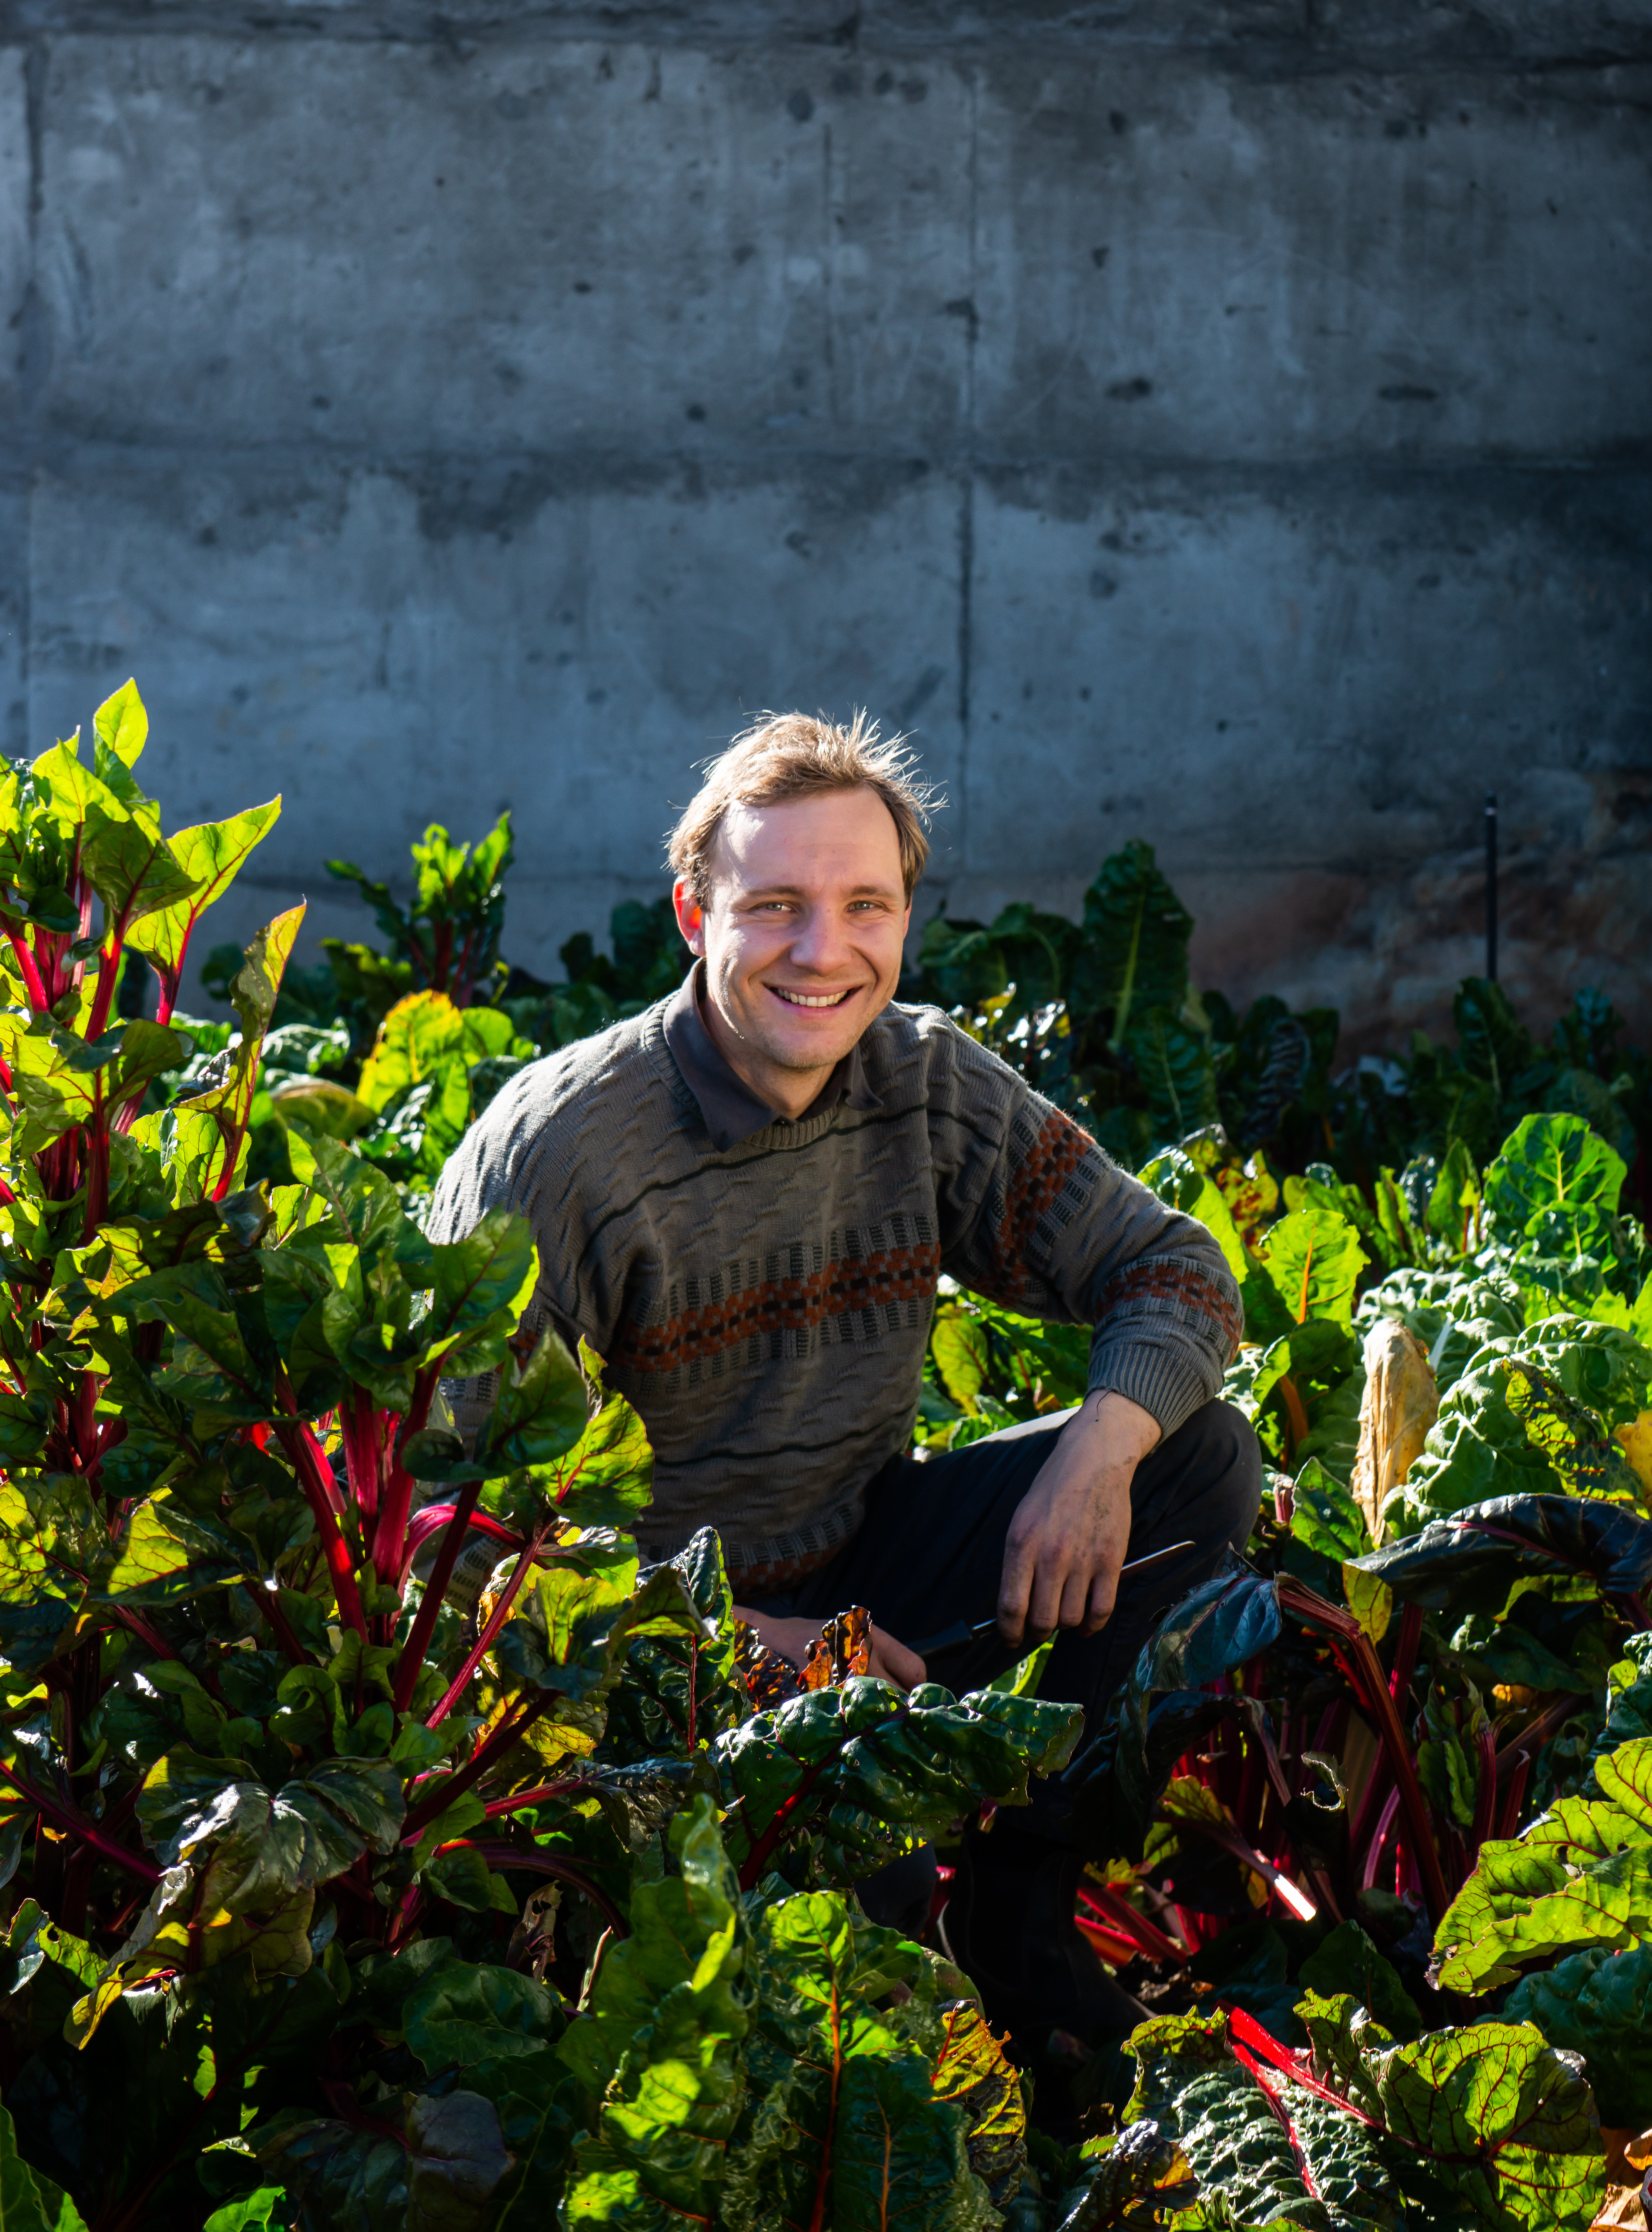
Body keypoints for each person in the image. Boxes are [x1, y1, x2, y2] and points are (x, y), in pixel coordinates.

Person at [424, 709, 1261, 2058]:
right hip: (635, 1664)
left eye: (865, 904)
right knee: (838, 2000)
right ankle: (864, 1950)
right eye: (775, 907)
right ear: (695, 912)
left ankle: (1019, 1921)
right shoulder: (563, 1155)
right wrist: (741, 1642)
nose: (826, 951)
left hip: (868, 1573)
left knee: (1195, 1458)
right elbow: (452, 1541)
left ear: (906, 913)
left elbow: (1173, 1269)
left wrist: (1098, 1458)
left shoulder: (920, 1082)